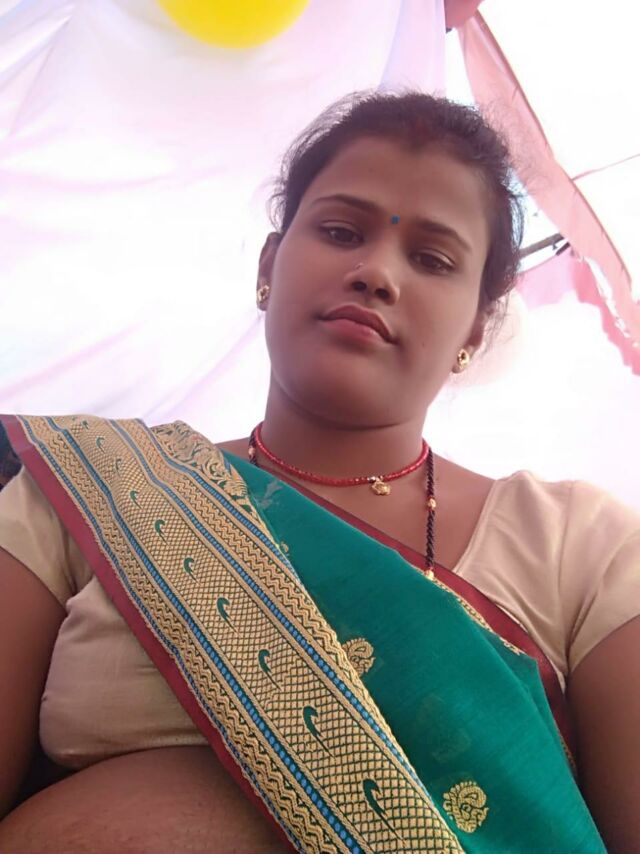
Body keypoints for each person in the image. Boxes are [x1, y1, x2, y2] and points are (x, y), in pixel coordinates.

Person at [0, 91, 638, 853]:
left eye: (432, 259)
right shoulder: (88, 488)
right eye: (341, 232)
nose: (376, 272)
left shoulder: (582, 547)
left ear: (476, 323)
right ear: (270, 264)